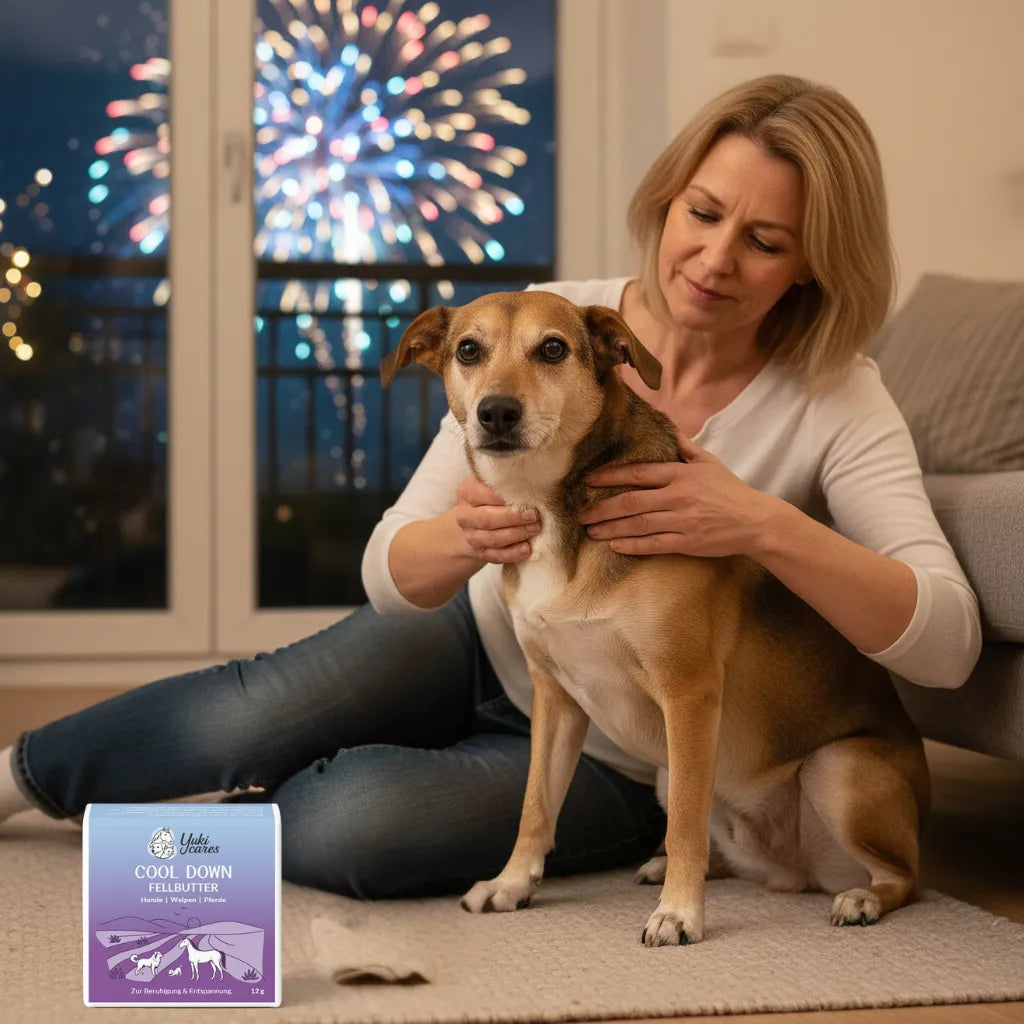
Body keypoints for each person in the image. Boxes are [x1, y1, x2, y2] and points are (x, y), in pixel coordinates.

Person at [0, 74, 981, 901]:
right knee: (253, 710)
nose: (716, 259)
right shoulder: (550, 325)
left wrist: (760, 523)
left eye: (765, 241)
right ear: (669, 197)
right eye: (704, 212)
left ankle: (174, 850)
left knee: (354, 823)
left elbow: (945, 640)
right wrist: (465, 536)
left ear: (811, 264)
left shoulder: (835, 397)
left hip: (613, 745)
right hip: (475, 629)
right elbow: (390, 569)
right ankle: (18, 776)